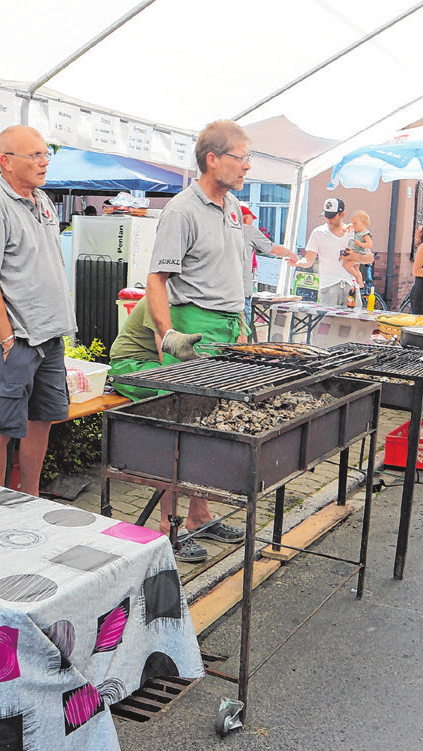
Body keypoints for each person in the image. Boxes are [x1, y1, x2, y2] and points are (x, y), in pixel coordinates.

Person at [135, 119, 256, 561]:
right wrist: (168, 335)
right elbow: (156, 278)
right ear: (213, 159)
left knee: (214, 428)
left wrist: (240, 317)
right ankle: (167, 530)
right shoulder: (182, 210)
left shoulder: (231, 207)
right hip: (193, 327)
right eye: (241, 157)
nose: (247, 167)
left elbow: (231, 271)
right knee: (181, 430)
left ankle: (199, 514)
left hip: (226, 326)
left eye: (248, 158)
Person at [0, 125, 76, 496]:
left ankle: (31, 498)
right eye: (35, 156)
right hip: (15, 338)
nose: (44, 162)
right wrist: (7, 340)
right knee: (0, 426)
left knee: (42, 420)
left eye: (46, 154)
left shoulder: (42, 200)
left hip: (48, 334)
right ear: (6, 161)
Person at [294, 198, 362, 307]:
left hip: (351, 285)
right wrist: (297, 261)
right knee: (328, 321)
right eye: (326, 215)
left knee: (353, 322)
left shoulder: (352, 232)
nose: (328, 219)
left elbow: (368, 257)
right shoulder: (318, 233)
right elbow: (309, 260)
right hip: (329, 285)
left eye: (332, 216)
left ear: (342, 214)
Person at [240, 203, 298, 327]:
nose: (253, 223)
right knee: (241, 332)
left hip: (222, 293)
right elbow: (272, 249)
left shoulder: (222, 230)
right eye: (251, 219)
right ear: (245, 218)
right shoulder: (247, 230)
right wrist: (290, 254)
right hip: (241, 293)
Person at [341, 210, 376, 292]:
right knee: (356, 269)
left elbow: (370, 245)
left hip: (358, 252)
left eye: (355, 223)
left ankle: (357, 277)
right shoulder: (357, 231)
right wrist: (349, 226)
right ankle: (360, 283)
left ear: (363, 223)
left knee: (346, 265)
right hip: (355, 251)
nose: (353, 225)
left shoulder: (365, 234)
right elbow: (349, 227)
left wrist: (360, 244)